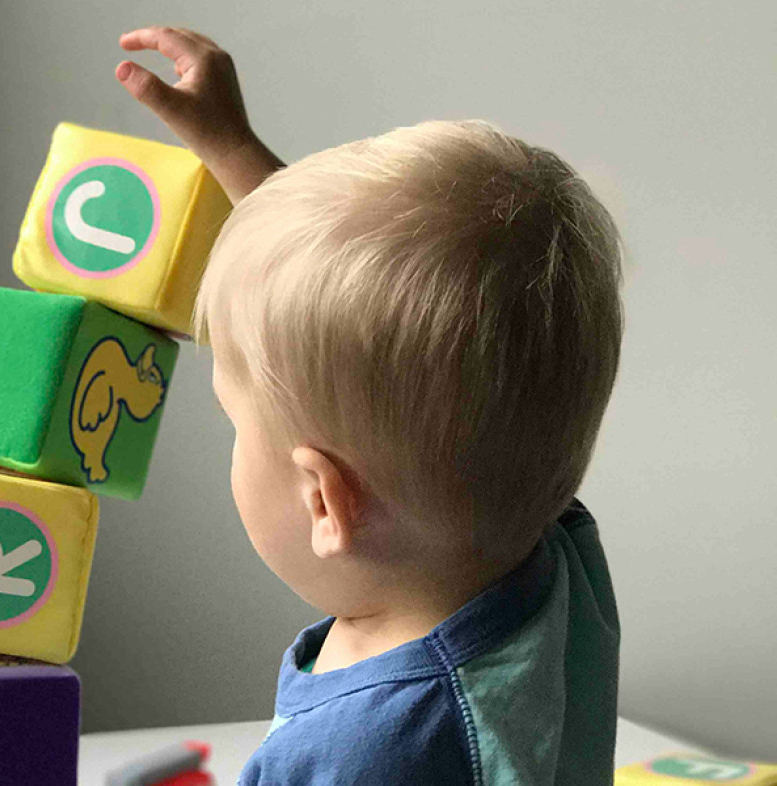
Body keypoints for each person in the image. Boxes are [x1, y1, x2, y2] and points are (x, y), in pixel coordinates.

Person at [116, 26, 625, 785]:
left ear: (326, 500)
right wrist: (231, 149)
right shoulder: (534, 534)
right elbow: (404, 344)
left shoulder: (365, 754)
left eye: (235, 423)